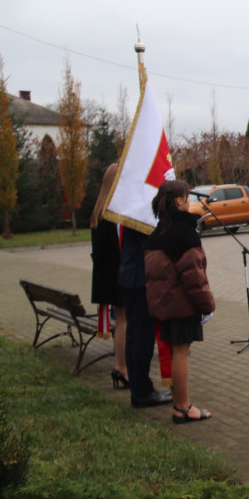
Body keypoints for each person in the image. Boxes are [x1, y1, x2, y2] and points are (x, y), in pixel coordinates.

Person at [144, 180, 215, 423]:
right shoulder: (183, 232)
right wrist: (207, 306)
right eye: (187, 197)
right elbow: (194, 276)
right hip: (181, 305)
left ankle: (178, 403)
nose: (190, 201)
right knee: (181, 353)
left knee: (176, 352)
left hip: (166, 304)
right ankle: (183, 407)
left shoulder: (158, 231)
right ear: (178, 201)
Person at [119, 219, 172, 409]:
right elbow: (150, 246)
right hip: (140, 280)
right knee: (142, 338)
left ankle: (138, 387)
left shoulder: (131, 212)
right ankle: (142, 391)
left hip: (130, 276)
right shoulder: (140, 217)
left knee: (134, 337)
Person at [90, 163, 128, 389]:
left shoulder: (98, 211)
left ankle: (121, 366)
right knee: (123, 322)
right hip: (118, 275)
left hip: (105, 276)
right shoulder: (114, 213)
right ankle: (122, 368)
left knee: (122, 321)